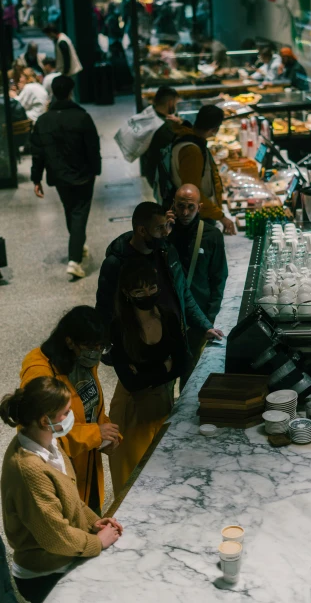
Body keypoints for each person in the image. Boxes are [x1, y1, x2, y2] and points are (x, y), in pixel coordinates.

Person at [0, 377, 123, 603]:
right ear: (45, 420)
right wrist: (97, 542)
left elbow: (70, 497)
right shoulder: (29, 470)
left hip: (63, 554)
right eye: (66, 413)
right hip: (44, 573)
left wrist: (94, 523)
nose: (71, 418)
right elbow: (56, 537)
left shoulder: (49, 443)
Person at [109, 259, 219, 494]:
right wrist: (164, 367)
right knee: (132, 476)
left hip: (162, 403)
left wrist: (150, 373)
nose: (147, 294)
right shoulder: (119, 327)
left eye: (152, 287)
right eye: (139, 290)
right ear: (128, 293)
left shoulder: (167, 316)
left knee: (162, 469)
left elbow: (182, 363)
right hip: (130, 409)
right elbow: (131, 382)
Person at [20, 306, 120, 512]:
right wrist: (95, 434)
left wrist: (106, 434)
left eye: (101, 346)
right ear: (69, 342)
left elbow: (90, 406)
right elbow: (41, 435)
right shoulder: (40, 374)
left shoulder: (83, 360)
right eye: (91, 346)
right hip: (59, 472)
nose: (96, 353)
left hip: (87, 466)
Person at [96, 201, 222, 342]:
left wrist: (204, 326)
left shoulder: (167, 252)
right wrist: (106, 345)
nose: (165, 233)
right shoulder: (115, 264)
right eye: (159, 228)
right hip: (138, 344)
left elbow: (183, 293)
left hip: (174, 337)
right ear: (142, 230)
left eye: (165, 226)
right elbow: (104, 308)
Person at [30, 74, 101, 279]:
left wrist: (36, 179)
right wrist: (95, 170)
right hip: (83, 175)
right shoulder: (82, 117)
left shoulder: (43, 121)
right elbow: (93, 147)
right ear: (71, 92)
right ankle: (74, 260)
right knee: (79, 213)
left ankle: (78, 245)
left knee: (70, 209)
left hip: (58, 176)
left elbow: (38, 152)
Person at [169, 184, 228, 387]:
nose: (185, 213)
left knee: (191, 374)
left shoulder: (212, 236)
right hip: (169, 316)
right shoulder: (165, 233)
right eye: (180, 206)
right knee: (167, 373)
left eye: (190, 207)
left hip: (198, 318)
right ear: (173, 206)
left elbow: (219, 279)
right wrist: (162, 233)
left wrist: (208, 320)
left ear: (199, 207)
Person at [164, 104, 236, 233]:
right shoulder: (192, 151)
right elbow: (193, 193)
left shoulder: (187, 136)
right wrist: (221, 217)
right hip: (196, 217)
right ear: (215, 129)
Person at [142, 85, 182, 187]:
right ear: (170, 103)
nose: (176, 107)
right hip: (163, 178)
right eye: (176, 103)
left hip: (151, 170)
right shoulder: (165, 128)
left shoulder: (150, 114)